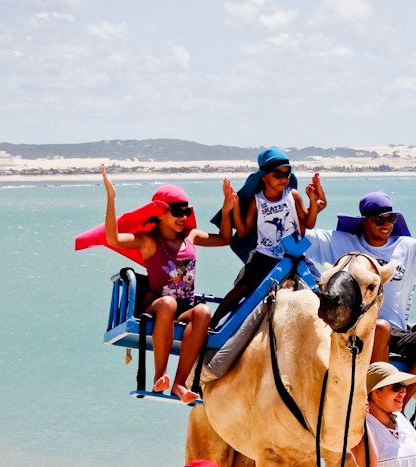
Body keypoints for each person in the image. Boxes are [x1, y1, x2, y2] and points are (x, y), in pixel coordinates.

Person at [304, 185, 416, 406]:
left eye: (391, 218)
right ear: (364, 221)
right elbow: (295, 238)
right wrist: (312, 210)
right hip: (353, 330)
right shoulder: (341, 241)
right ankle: (378, 399)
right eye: (379, 220)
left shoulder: (410, 248)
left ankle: (397, 407)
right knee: (380, 326)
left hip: (395, 331)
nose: (386, 224)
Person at [94, 164, 236, 403]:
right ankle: (160, 377)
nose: (183, 217)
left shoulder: (190, 237)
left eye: (186, 211)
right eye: (177, 212)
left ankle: (179, 384)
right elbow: (113, 238)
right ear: (160, 213)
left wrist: (226, 209)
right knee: (168, 303)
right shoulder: (149, 241)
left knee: (203, 311)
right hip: (156, 308)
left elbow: (224, 239)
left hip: (182, 311)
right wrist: (111, 197)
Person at [208, 148, 327, 328]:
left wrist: (312, 201)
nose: (283, 179)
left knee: (322, 289)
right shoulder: (257, 201)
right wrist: (236, 206)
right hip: (265, 257)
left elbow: (308, 224)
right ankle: (213, 324)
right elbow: (242, 231)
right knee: (243, 288)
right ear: (264, 177)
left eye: (287, 174)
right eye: (277, 174)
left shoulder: (292, 195)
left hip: (295, 254)